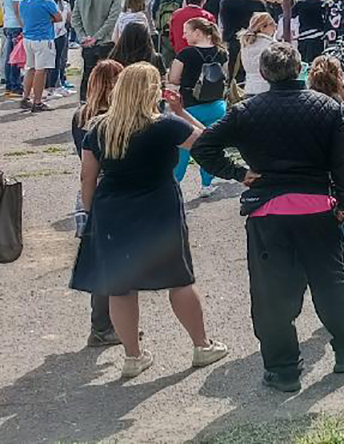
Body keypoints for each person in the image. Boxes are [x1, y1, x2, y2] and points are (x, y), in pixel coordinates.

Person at [189, 43, 344, 391]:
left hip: (267, 210)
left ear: (264, 73)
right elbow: (342, 160)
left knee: (272, 294)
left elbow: (203, 147)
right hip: (317, 206)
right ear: (299, 69)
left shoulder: (246, 111)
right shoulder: (327, 107)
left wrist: (237, 173)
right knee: (329, 283)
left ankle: (283, 369)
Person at [71, 61, 229, 379]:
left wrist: (88, 215)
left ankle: (133, 356)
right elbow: (207, 142)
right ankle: (201, 345)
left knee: (120, 286)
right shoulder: (165, 125)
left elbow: (87, 177)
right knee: (179, 279)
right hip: (159, 207)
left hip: (111, 210)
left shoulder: (100, 127)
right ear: (151, 91)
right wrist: (181, 111)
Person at [72, 59, 125, 345]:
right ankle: (104, 326)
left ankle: (106, 325)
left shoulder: (81, 116)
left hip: (89, 187)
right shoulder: (115, 118)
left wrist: (87, 204)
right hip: (113, 189)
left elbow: (84, 167)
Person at [166, 17, 230, 197]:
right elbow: (225, 76)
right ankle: (207, 184)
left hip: (189, 107)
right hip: (217, 105)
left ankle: (176, 182)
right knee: (211, 145)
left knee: (183, 145)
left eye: (186, 31)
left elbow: (174, 79)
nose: (183, 35)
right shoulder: (222, 52)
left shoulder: (185, 54)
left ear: (197, 32)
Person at [73, 0, 123, 105]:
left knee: (88, 73)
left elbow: (75, 18)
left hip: (87, 41)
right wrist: (97, 36)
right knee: (108, 75)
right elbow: (113, 19)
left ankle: (86, 101)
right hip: (106, 41)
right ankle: (105, 103)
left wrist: (83, 36)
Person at [18, 0, 62, 112]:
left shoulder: (23, 1)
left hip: (28, 38)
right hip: (43, 39)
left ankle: (25, 97)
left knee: (30, 68)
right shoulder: (47, 2)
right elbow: (59, 17)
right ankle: (37, 102)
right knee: (41, 71)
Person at [218, 0, 260, 83]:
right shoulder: (257, 3)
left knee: (234, 73)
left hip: (232, 41)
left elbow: (223, 22)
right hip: (253, 42)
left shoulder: (226, 2)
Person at [3, 0, 28, 96]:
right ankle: (15, 85)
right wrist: (23, 26)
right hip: (16, 25)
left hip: (8, 23)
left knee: (10, 56)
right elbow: (18, 9)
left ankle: (10, 83)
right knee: (16, 57)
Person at [292, 0, 331, 64]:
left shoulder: (300, 4)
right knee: (316, 63)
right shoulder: (324, 4)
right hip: (318, 38)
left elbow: (292, 16)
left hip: (303, 37)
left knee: (303, 62)